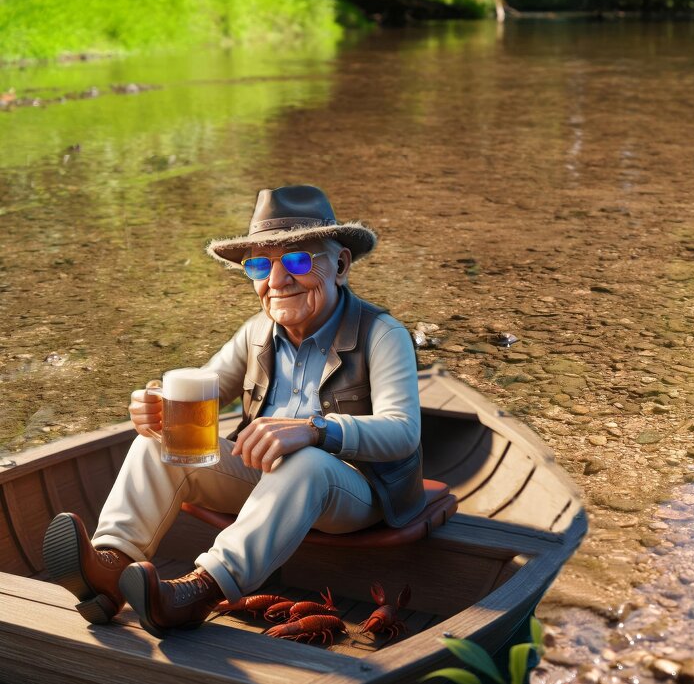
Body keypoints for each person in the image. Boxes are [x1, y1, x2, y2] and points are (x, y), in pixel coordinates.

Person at [42, 185, 423, 638]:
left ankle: (201, 589)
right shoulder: (256, 333)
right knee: (160, 444)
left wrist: (314, 430)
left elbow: (402, 432)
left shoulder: (382, 334)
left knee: (307, 463)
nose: (277, 281)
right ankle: (111, 568)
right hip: (265, 478)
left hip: (355, 490)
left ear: (339, 265)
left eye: (298, 261)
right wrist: (155, 408)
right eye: (260, 265)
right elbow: (202, 389)